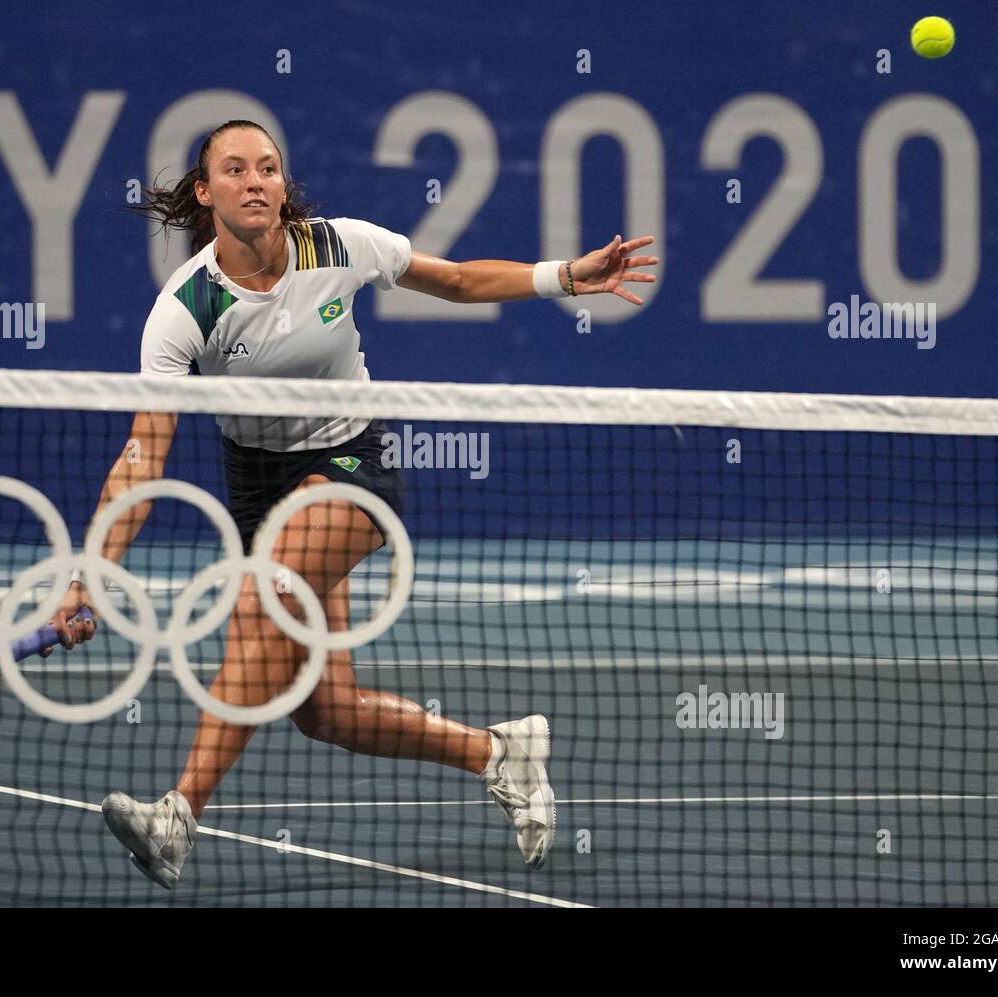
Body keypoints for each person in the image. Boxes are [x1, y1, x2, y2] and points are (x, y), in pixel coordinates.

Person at [52, 119, 658, 888]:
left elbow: (460, 280)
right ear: (205, 194)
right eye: (235, 170)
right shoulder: (184, 310)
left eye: (268, 168)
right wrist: (88, 575)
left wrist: (566, 277)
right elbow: (143, 457)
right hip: (257, 483)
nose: (256, 182)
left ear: (283, 184)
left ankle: (177, 817)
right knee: (325, 710)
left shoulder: (338, 246)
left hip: (352, 459)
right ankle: (499, 753)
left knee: (263, 597)